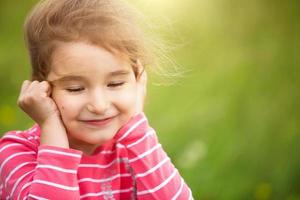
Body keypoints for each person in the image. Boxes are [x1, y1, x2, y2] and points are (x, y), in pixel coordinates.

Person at [0, 0, 193, 199]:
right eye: (75, 88)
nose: (99, 105)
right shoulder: (17, 152)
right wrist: (51, 127)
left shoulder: (133, 149)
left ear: (137, 79)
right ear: (43, 89)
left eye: (115, 83)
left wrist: (138, 128)